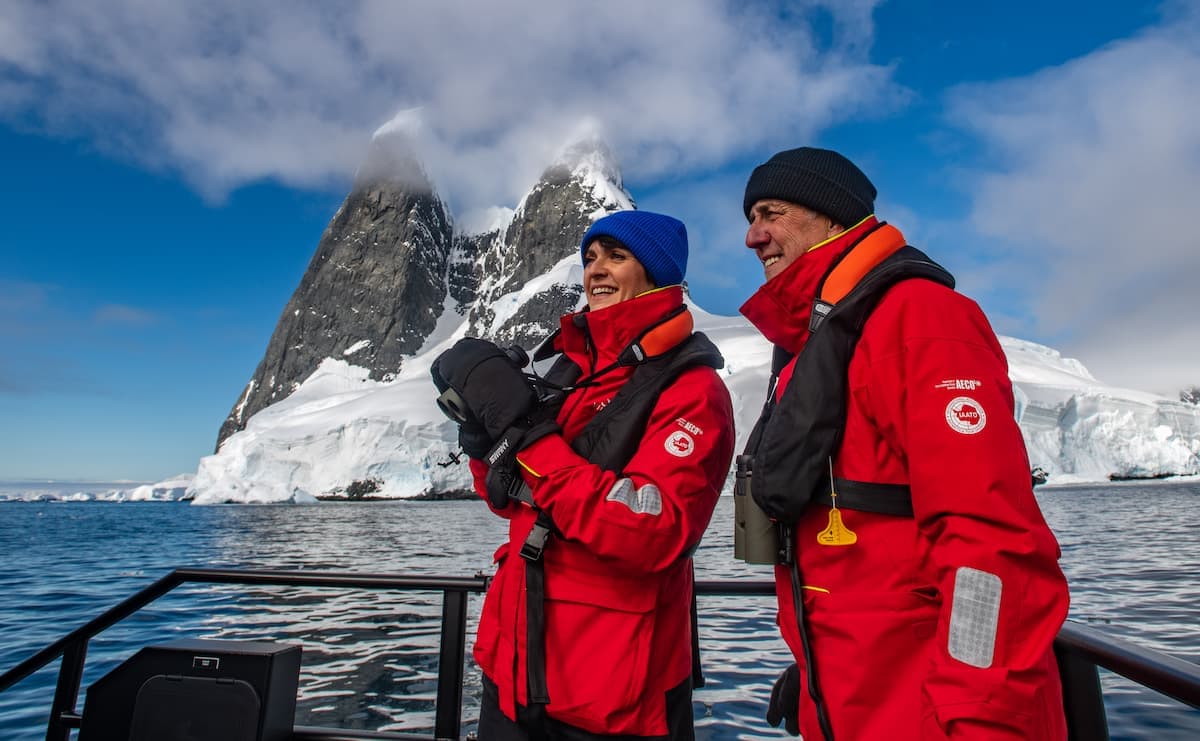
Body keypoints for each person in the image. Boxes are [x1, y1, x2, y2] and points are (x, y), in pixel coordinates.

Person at [737, 147, 1070, 740]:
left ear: (832, 218)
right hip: (855, 697)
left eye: (771, 213)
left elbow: (990, 544)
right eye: (750, 218)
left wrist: (980, 715)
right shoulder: (820, 340)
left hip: (934, 714)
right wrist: (815, 673)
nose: (752, 237)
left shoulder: (920, 320)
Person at [431, 209, 735, 739]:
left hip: (614, 690)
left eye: (616, 256)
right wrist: (486, 443)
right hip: (516, 671)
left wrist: (526, 433)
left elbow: (652, 531)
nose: (596, 269)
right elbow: (510, 499)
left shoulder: (692, 391)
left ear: (659, 275)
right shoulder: (572, 371)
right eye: (590, 257)